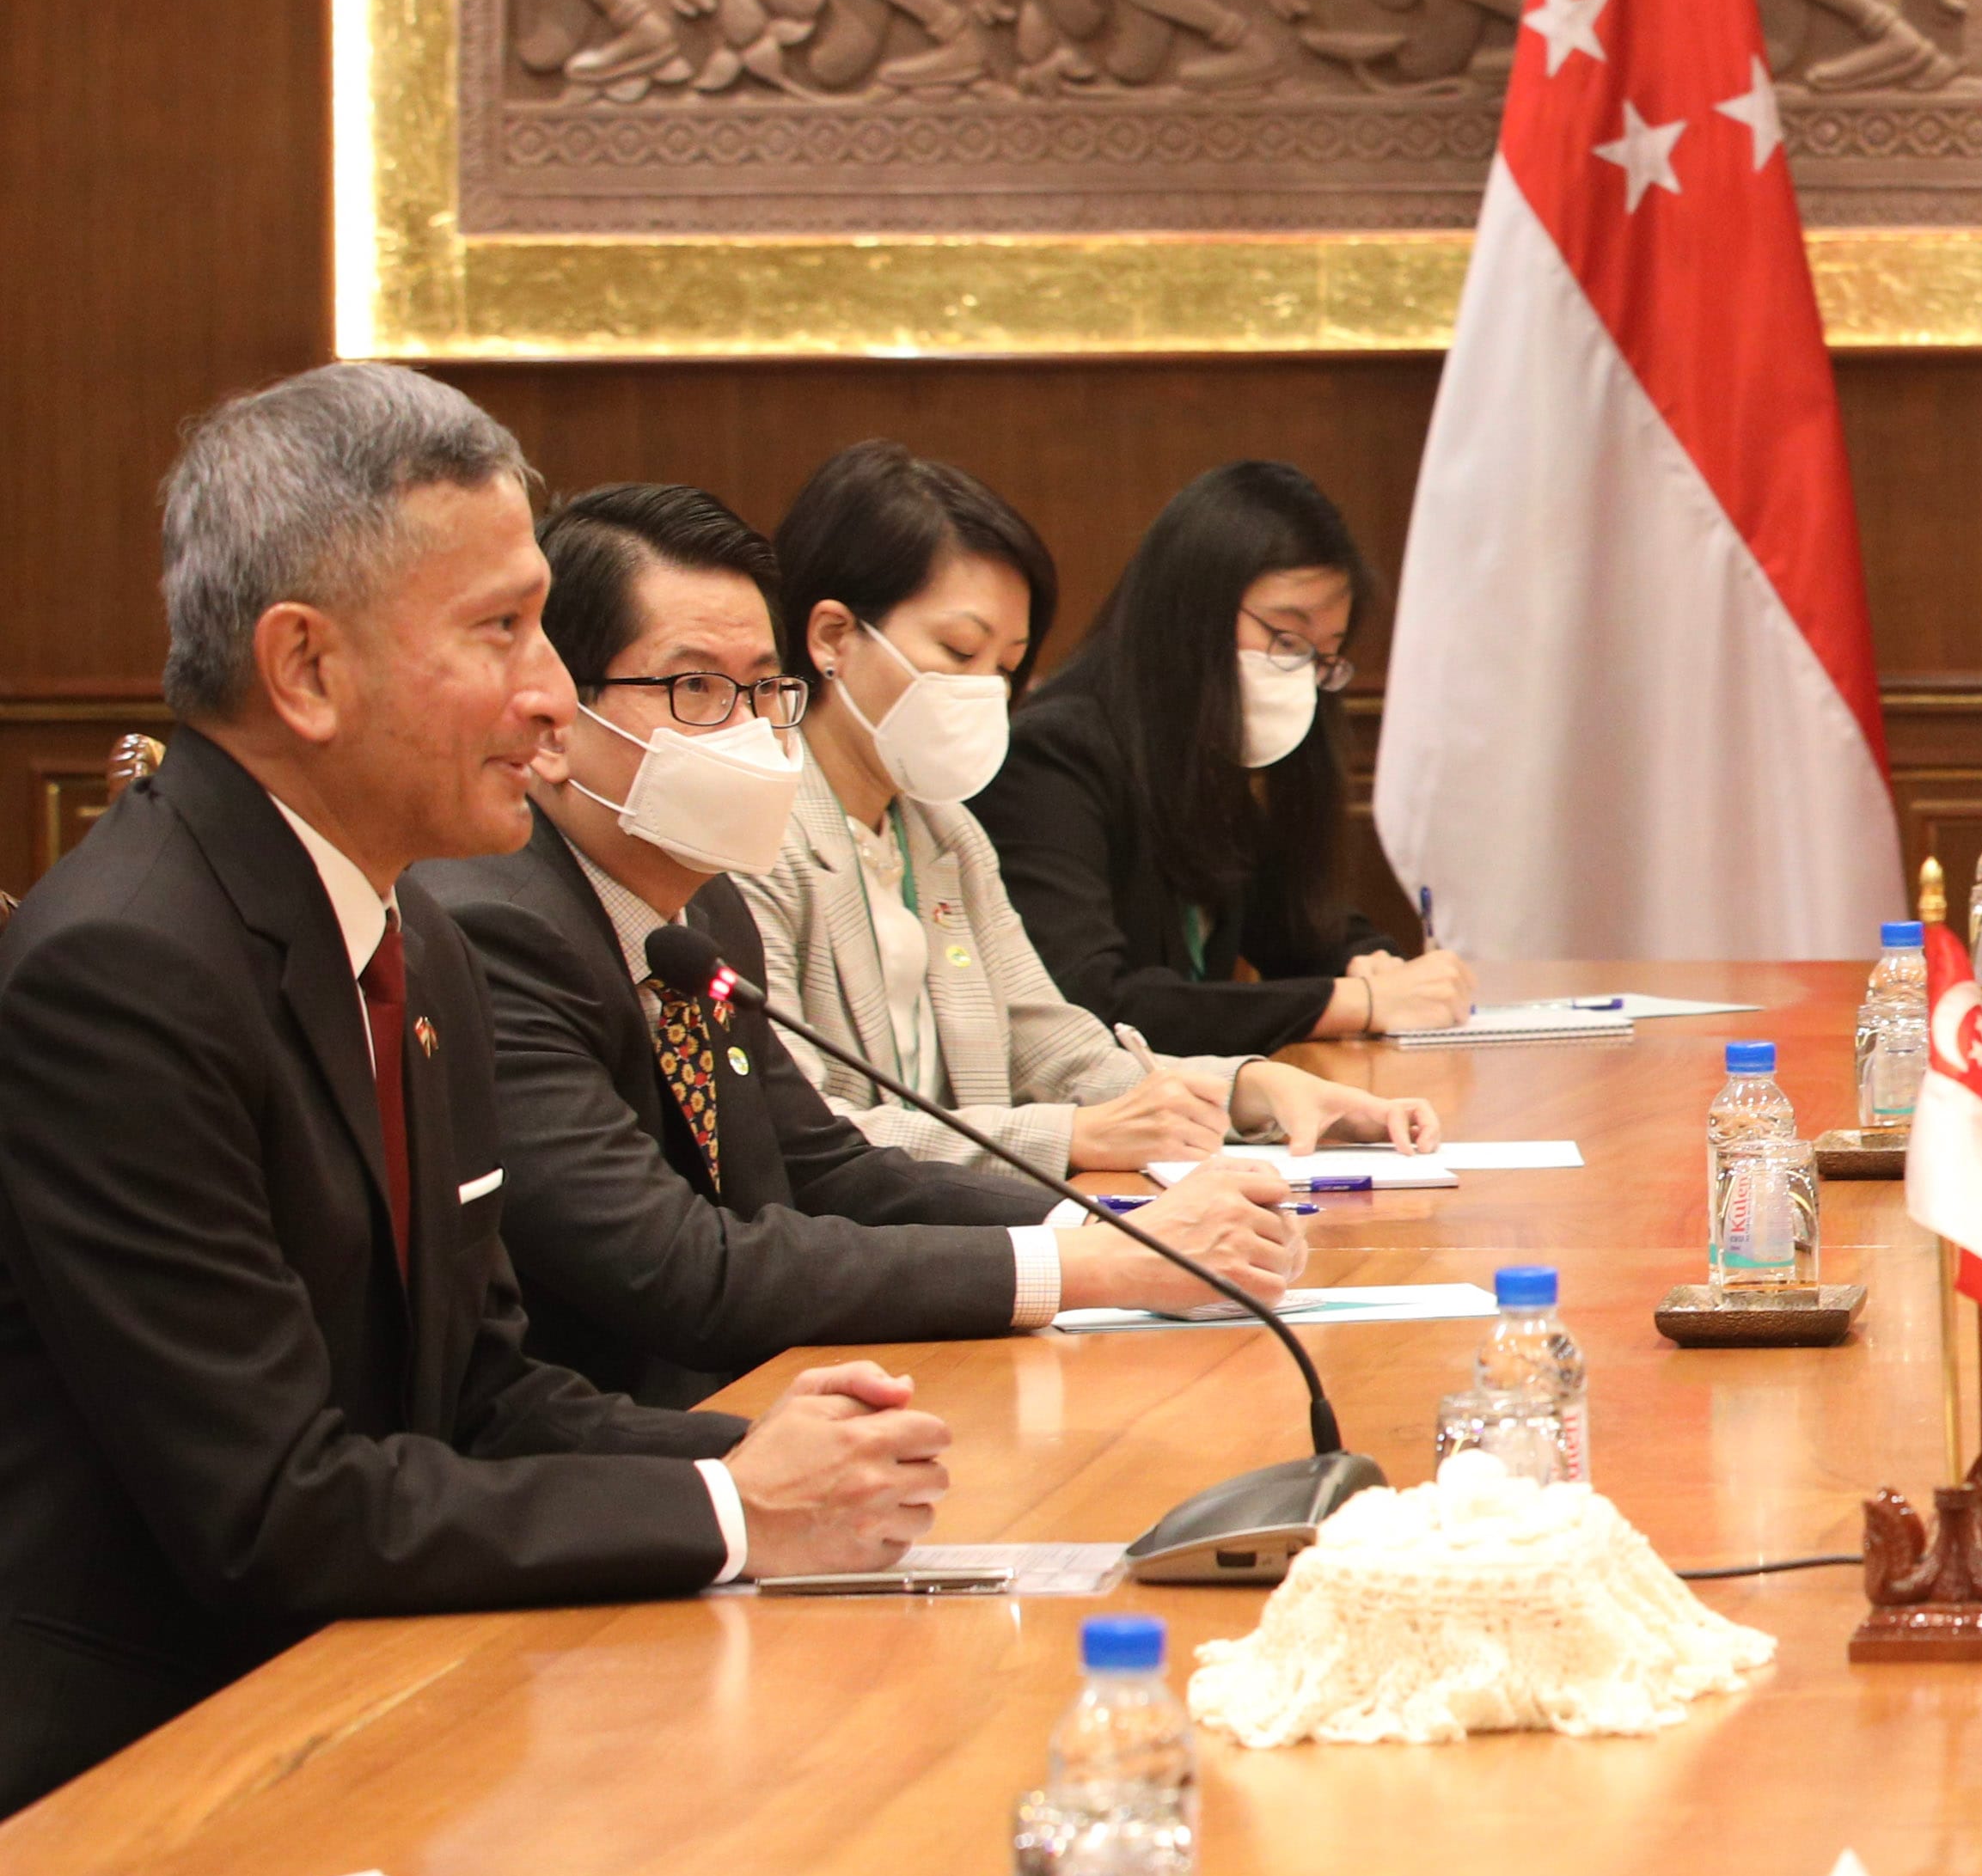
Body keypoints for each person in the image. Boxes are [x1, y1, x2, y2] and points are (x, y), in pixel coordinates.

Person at [0, 368, 948, 1812]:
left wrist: (788, 1455)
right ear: (306, 669)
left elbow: (480, 1392)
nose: (552, 695)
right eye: (502, 631)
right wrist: (727, 1504)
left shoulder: (412, 927)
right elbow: (275, 1510)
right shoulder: (126, 969)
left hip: (383, 1697)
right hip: (148, 1780)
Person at [431, 484, 1308, 1411]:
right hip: (628, 1443)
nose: (746, 729)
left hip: (776, 1399)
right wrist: (1078, 1262)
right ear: (558, 722)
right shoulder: (500, 928)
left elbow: (826, 1166)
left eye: (762, 690)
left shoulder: (703, 907)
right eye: (695, 689)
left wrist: (1127, 1227)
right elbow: (680, 1263)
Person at [755, 441, 1437, 1176]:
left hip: (972, 1232)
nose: (988, 691)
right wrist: (1073, 1138)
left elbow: (1055, 1046)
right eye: (959, 652)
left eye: (1007, 666)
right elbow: (805, 1133)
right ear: (832, 637)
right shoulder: (755, 834)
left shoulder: (942, 829)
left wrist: (1249, 1087)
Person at [980, 461, 1472, 1060]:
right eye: (1286, 640)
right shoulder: (1051, 758)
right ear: (1190, 611)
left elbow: (1300, 928)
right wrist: (1357, 1003)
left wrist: (1371, 964)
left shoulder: (1207, 760)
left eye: (1324, 657)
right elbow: (1093, 1005)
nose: (1302, 676)